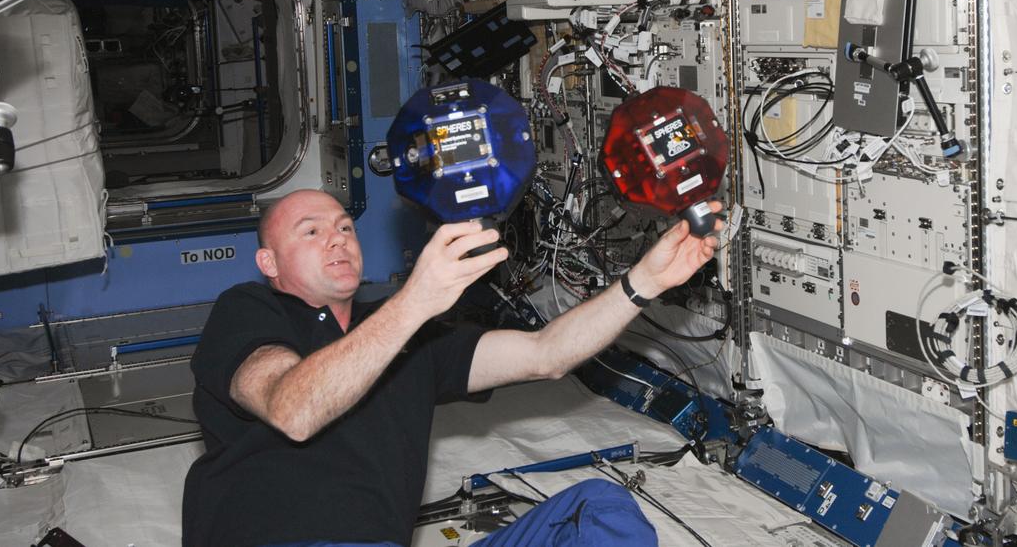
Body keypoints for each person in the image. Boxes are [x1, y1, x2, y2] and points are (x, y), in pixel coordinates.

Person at [182, 188, 722, 547]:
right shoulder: (250, 310)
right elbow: (292, 408)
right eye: (310, 231)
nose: (338, 238)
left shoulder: (407, 335)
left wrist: (645, 282)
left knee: (599, 509)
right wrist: (414, 301)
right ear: (269, 262)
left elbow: (546, 354)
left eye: (345, 226)